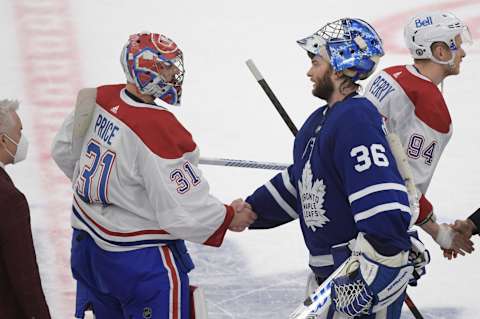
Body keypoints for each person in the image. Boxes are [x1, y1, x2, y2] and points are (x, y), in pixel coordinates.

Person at [51, 32, 256, 319]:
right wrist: (228, 217)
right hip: (137, 259)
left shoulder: (98, 96)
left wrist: (112, 193)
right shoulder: (160, 129)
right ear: (147, 70)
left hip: (87, 245)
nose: (175, 73)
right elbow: (183, 211)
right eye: (167, 67)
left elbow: (63, 151)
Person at [244, 18, 424, 318]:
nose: (309, 71)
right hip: (330, 280)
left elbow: (383, 205)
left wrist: (375, 273)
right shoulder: (318, 122)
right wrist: (251, 209)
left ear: (340, 66)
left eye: (316, 62)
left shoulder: (357, 119)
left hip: (358, 282)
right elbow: (302, 180)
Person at [363, 12, 474, 257]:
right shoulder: (430, 107)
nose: (463, 53)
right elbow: (406, 185)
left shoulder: (389, 74)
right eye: (456, 44)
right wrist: (438, 231)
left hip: (350, 195)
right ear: (440, 51)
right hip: (372, 220)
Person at [0, 99, 51, 318]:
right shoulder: (10, 201)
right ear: (3, 139)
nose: (22, 140)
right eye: (19, 132)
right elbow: (24, 276)